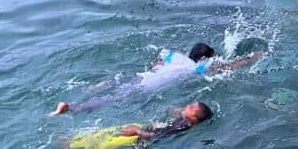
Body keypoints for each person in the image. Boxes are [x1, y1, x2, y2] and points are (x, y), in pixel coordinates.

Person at [51, 43, 264, 116]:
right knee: (110, 99)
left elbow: (157, 63)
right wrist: (252, 58)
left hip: (141, 76)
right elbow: (226, 68)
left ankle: (95, 86)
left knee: (115, 84)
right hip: (145, 87)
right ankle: (71, 107)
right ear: (203, 59)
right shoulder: (195, 68)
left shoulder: (175, 55)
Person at [67, 101, 212, 149]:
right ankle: (73, 142)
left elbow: (160, 135)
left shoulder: (184, 125)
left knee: (106, 144)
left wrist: (137, 132)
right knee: (107, 133)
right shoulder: (185, 119)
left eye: (191, 107)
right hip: (142, 129)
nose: (188, 105)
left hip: (139, 137)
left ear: (194, 118)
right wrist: (179, 111)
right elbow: (169, 117)